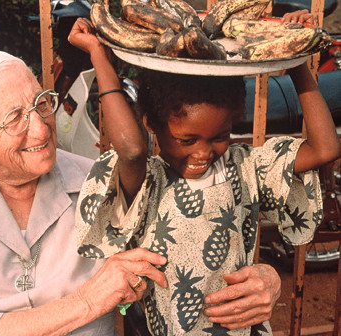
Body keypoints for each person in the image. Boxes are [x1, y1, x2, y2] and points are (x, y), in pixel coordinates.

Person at [68, 15, 341, 335]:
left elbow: (324, 149)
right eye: (188, 140)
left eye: (219, 136)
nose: (203, 153)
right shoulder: (146, 182)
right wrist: (98, 54)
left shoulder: (246, 167)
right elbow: (130, 149)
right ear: (151, 125)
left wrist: (297, 58)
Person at [0, 49, 169, 336]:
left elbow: (174, 244)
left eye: (41, 103)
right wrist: (88, 300)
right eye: (14, 118)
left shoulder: (96, 182)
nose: (41, 129)